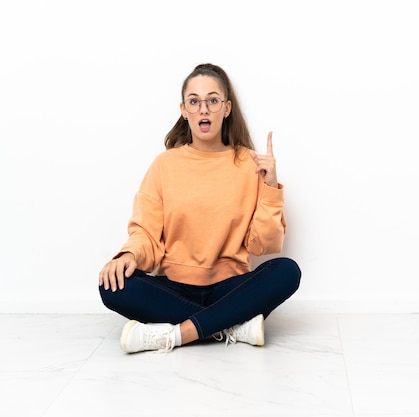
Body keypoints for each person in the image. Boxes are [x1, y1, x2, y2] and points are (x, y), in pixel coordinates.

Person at [98, 63, 301, 354]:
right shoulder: (164, 165)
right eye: (194, 101)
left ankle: (177, 335)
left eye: (212, 100)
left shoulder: (249, 164)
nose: (203, 109)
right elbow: (146, 233)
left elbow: (264, 246)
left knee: (287, 271)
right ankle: (230, 324)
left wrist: (270, 187)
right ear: (184, 109)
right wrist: (129, 254)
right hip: (174, 288)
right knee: (112, 286)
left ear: (227, 108)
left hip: (229, 286)